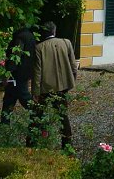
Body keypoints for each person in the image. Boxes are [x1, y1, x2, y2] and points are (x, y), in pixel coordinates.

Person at [29, 21, 77, 149]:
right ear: (54, 31)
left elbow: (37, 72)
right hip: (62, 86)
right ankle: (67, 144)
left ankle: (32, 143)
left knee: (37, 114)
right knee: (62, 115)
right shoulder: (66, 43)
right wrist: (72, 80)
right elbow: (73, 65)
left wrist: (35, 92)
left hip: (46, 87)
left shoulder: (39, 48)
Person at [0, 26, 36, 124]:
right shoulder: (30, 36)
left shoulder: (20, 37)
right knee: (9, 97)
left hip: (18, 74)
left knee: (23, 97)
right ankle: (4, 122)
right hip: (25, 72)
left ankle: (38, 116)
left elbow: (16, 56)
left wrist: (8, 72)